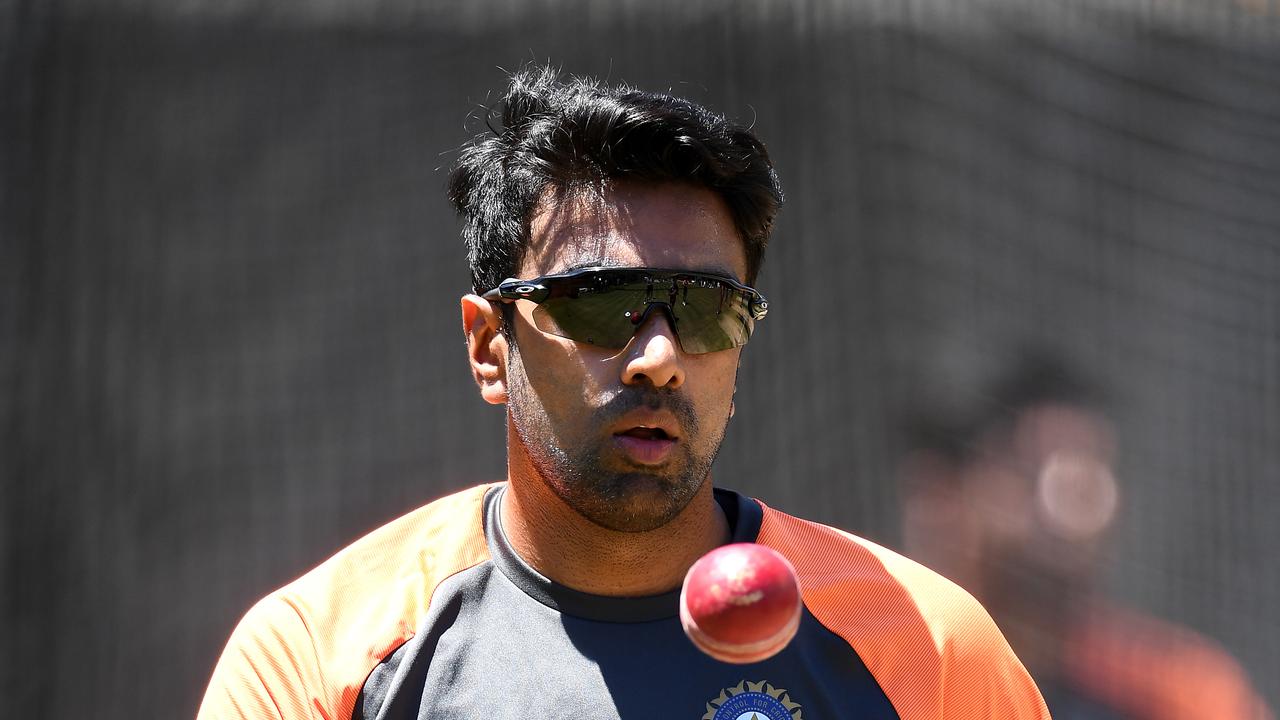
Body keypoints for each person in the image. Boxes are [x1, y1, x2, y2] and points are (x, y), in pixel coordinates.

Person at [197, 65, 1049, 719]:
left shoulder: (928, 650)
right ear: (490, 346)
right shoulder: (320, 657)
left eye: (709, 311)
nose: (658, 358)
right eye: (603, 302)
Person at [898, 351, 1274, 720]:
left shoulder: (1177, 690)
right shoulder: (879, 665)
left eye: (1089, 473)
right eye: (1030, 472)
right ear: (946, 493)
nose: (1064, 506)